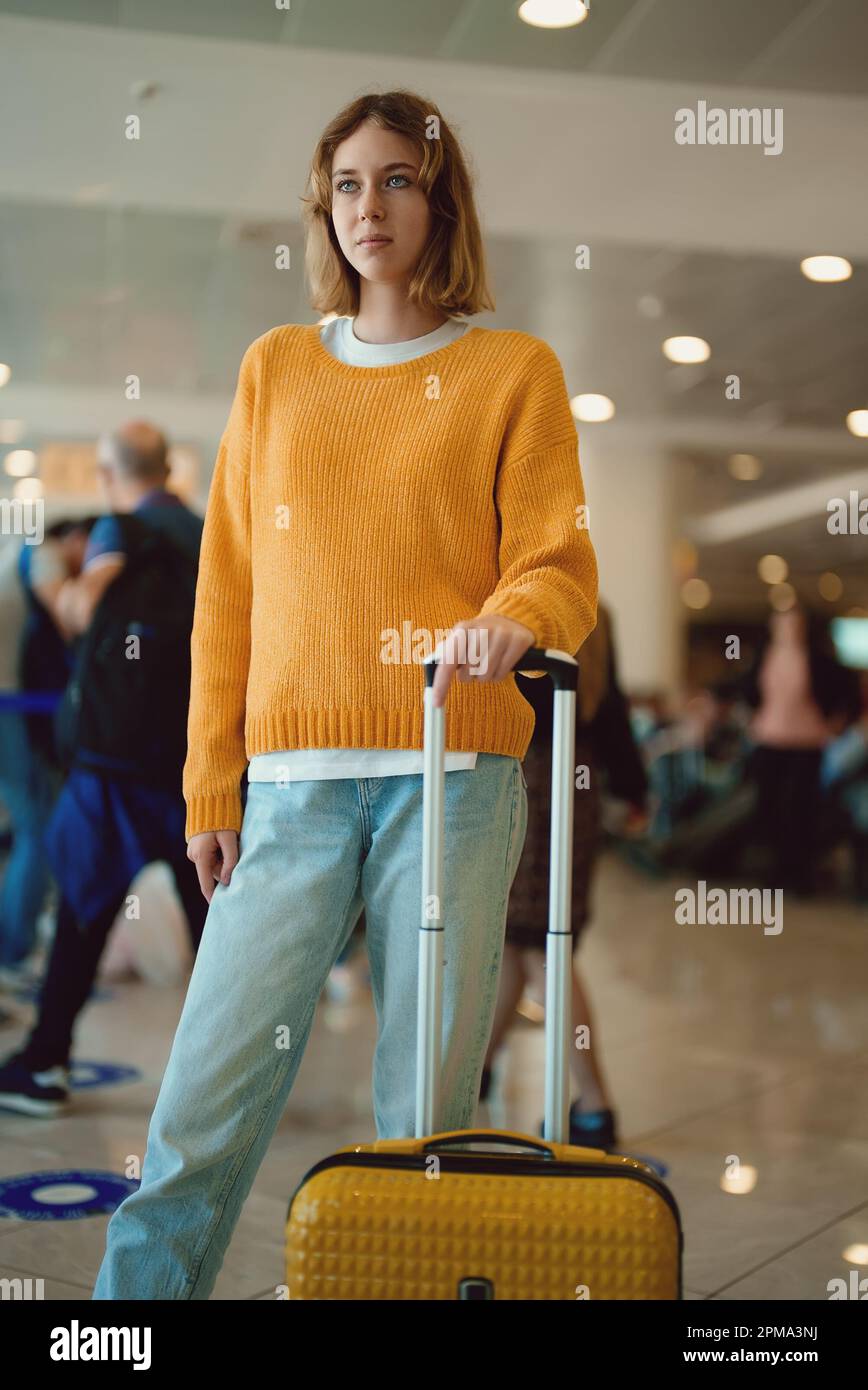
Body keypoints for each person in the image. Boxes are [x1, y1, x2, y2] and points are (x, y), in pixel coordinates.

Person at [91, 88, 598, 1300]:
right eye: (350, 185)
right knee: (199, 1105)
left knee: (424, 1122)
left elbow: (556, 557)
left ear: (442, 202)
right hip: (291, 789)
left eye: (399, 180)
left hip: (453, 779)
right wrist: (211, 775)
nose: (370, 206)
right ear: (328, 209)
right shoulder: (277, 369)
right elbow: (229, 589)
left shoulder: (511, 371)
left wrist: (509, 618)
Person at [0, 423, 208, 1115]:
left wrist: (54, 580)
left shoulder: (123, 529)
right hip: (193, 761)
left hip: (114, 764)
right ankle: (220, 1080)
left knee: (84, 910)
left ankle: (45, 1061)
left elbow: (85, 613)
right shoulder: (206, 531)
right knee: (212, 923)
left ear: (106, 472)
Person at [479, 604, 648, 1150]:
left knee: (542, 950)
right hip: (581, 780)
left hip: (527, 775)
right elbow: (613, 704)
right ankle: (475, 1072)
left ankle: (595, 1105)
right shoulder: (592, 612)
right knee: (520, 943)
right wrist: (635, 787)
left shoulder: (520, 607)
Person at [714, 605, 860, 896]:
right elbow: (744, 689)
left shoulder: (818, 660)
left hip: (805, 743)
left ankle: (797, 873)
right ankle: (774, 871)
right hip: (770, 741)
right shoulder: (765, 657)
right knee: (769, 806)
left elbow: (848, 691)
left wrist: (836, 723)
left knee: (800, 809)